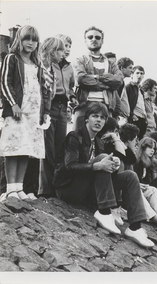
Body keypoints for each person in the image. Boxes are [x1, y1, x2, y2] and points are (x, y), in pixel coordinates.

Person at [53, 102, 154, 247]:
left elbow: (129, 159)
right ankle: (105, 212)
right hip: (68, 187)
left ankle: (135, 228)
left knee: (130, 176)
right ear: (86, 119)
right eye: (95, 116)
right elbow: (69, 167)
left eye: (102, 118)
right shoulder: (75, 137)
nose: (98, 120)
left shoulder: (99, 141)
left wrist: (114, 163)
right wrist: (97, 165)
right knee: (102, 159)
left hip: (87, 189)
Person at [0, 25, 50, 200]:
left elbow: (44, 88)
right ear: (19, 40)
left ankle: (19, 187)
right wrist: (13, 104)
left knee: (25, 148)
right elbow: (5, 82)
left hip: (33, 114)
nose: (30, 43)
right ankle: (10, 188)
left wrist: (45, 112)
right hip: (17, 111)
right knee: (13, 148)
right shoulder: (12, 58)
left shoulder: (38, 64)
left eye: (34, 40)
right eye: (27, 39)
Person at [39, 35, 78, 197]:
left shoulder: (69, 67)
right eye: (62, 48)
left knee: (59, 146)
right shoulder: (46, 66)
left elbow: (70, 87)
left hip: (63, 108)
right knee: (47, 148)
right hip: (49, 107)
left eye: (67, 47)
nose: (65, 51)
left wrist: (73, 97)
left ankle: (56, 188)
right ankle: (45, 189)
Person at [72, 26, 123, 131]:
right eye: (90, 37)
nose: (93, 39)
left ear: (102, 41)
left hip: (106, 106)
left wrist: (96, 78)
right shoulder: (80, 60)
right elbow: (81, 78)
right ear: (85, 40)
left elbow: (118, 80)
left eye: (97, 37)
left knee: (104, 141)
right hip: (85, 105)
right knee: (78, 139)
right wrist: (106, 84)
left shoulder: (111, 63)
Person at [125, 65, 146, 139]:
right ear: (132, 74)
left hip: (141, 120)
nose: (139, 75)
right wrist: (131, 115)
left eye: (141, 73)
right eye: (137, 73)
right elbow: (124, 103)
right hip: (133, 119)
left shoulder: (141, 90)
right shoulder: (128, 87)